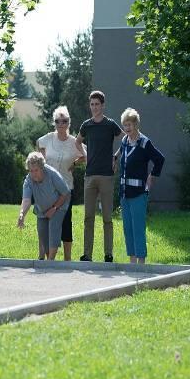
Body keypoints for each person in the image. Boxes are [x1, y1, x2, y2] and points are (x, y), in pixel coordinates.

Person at [76, 90, 123, 262]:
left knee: (107, 218)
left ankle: (108, 254)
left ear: (103, 105)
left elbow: (125, 140)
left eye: (97, 104)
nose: (94, 107)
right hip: (89, 176)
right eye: (92, 104)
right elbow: (77, 141)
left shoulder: (110, 124)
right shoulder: (86, 125)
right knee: (88, 217)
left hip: (106, 176)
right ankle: (87, 255)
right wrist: (86, 156)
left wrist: (115, 157)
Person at [36, 106, 86, 261]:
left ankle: (67, 258)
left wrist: (75, 163)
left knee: (65, 223)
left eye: (64, 121)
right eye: (58, 121)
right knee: (44, 221)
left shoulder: (73, 142)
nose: (61, 124)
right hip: (47, 188)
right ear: (54, 123)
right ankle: (42, 256)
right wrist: (42, 164)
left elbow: (86, 154)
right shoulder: (47, 139)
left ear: (69, 122)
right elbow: (38, 146)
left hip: (66, 188)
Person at [117, 108, 164, 264]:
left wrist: (152, 176)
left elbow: (159, 159)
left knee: (138, 228)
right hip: (124, 193)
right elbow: (122, 152)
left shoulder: (144, 142)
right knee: (127, 229)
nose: (127, 128)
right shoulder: (124, 141)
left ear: (136, 124)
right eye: (125, 125)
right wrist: (114, 157)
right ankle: (132, 262)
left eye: (129, 125)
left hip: (138, 194)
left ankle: (141, 263)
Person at [17, 152, 71, 261]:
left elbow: (65, 193)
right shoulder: (28, 180)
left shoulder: (52, 174)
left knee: (53, 228)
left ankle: (50, 262)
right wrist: (22, 213)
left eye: (36, 170)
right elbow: (26, 200)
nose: (33, 174)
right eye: (31, 171)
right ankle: (49, 260)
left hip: (59, 205)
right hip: (42, 209)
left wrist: (54, 208)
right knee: (42, 234)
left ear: (42, 168)